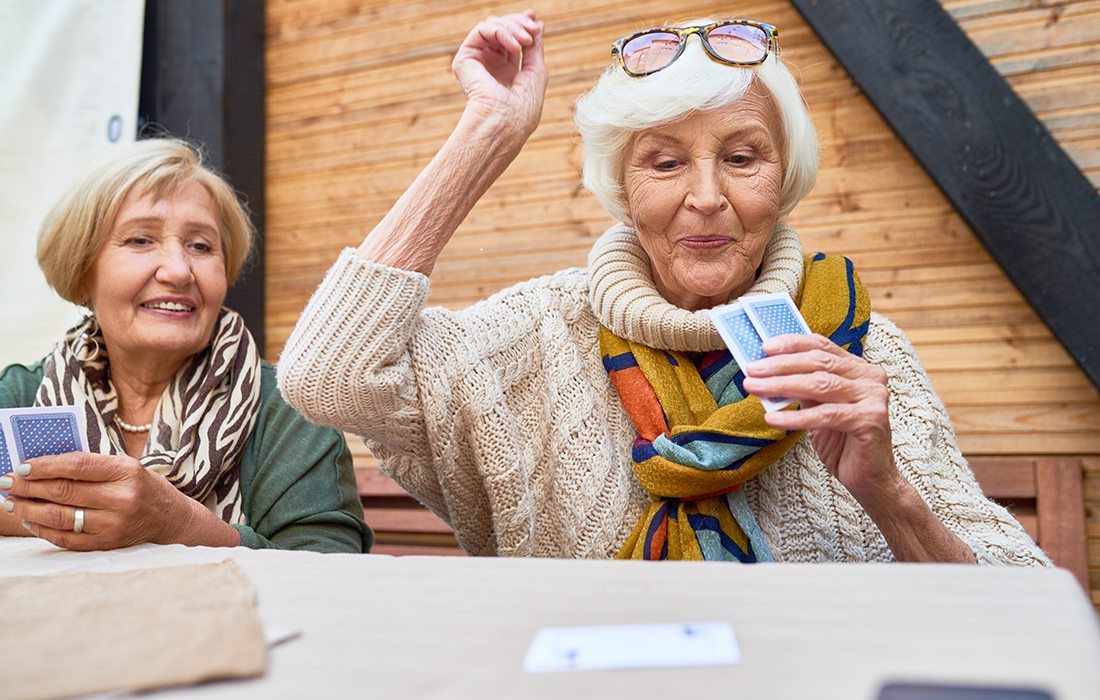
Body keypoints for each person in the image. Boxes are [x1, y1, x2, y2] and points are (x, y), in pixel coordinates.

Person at [278, 12, 1046, 564]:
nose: (706, 196)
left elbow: (1021, 603)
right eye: (666, 162)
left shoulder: (864, 354)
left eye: (742, 158)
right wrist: (489, 133)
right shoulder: (540, 329)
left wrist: (889, 491)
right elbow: (326, 376)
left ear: (785, 181)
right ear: (622, 186)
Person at [0, 139, 371, 553]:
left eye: (201, 246)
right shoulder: (19, 396)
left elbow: (332, 564)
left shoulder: (288, 409)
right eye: (141, 240)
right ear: (82, 271)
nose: (179, 270)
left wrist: (176, 524)